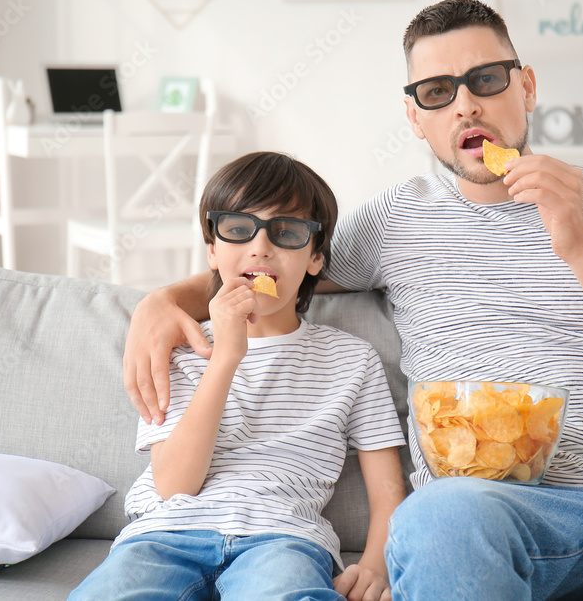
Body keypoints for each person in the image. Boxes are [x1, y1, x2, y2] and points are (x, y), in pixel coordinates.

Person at [121, 0, 583, 599]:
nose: (466, 105)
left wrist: (582, 250)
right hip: (487, 518)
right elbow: (281, 259)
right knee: (440, 516)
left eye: (487, 80)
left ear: (526, 87)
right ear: (416, 118)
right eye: (437, 93)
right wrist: (173, 293)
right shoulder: (393, 220)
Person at [72, 151, 406, 601]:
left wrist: (375, 562)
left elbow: (388, 487)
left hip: (284, 539)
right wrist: (226, 355)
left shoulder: (352, 359)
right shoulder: (180, 346)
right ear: (213, 250)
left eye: (286, 232)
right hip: (164, 535)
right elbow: (174, 485)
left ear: (315, 258)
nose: (260, 247)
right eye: (238, 228)